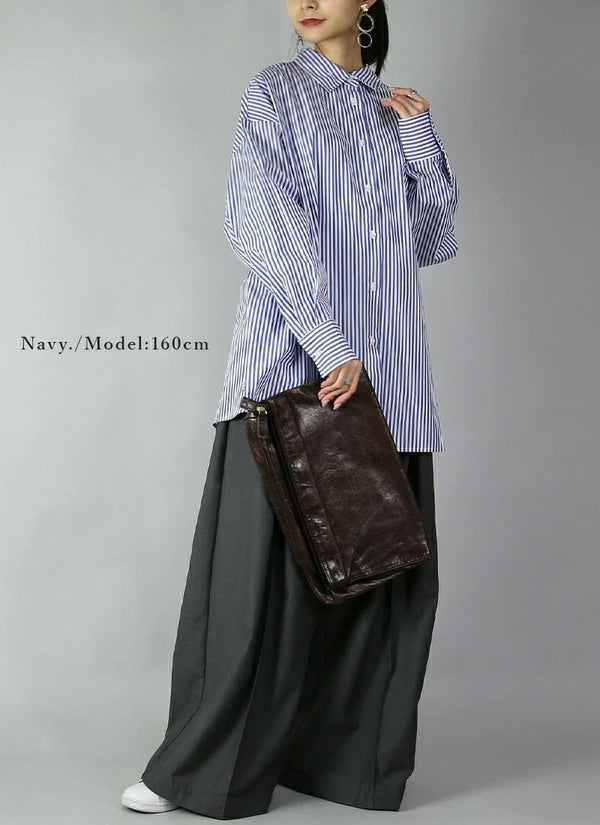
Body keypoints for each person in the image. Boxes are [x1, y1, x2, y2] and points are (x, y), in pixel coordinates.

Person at [121, 0, 459, 818]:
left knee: (379, 583)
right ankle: (204, 771)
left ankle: (345, 769)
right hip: (292, 369)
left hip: (387, 383)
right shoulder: (275, 92)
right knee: (255, 585)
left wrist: (419, 139)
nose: (306, 1)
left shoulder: (389, 113)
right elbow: (260, 221)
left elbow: (430, 239)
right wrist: (330, 341)